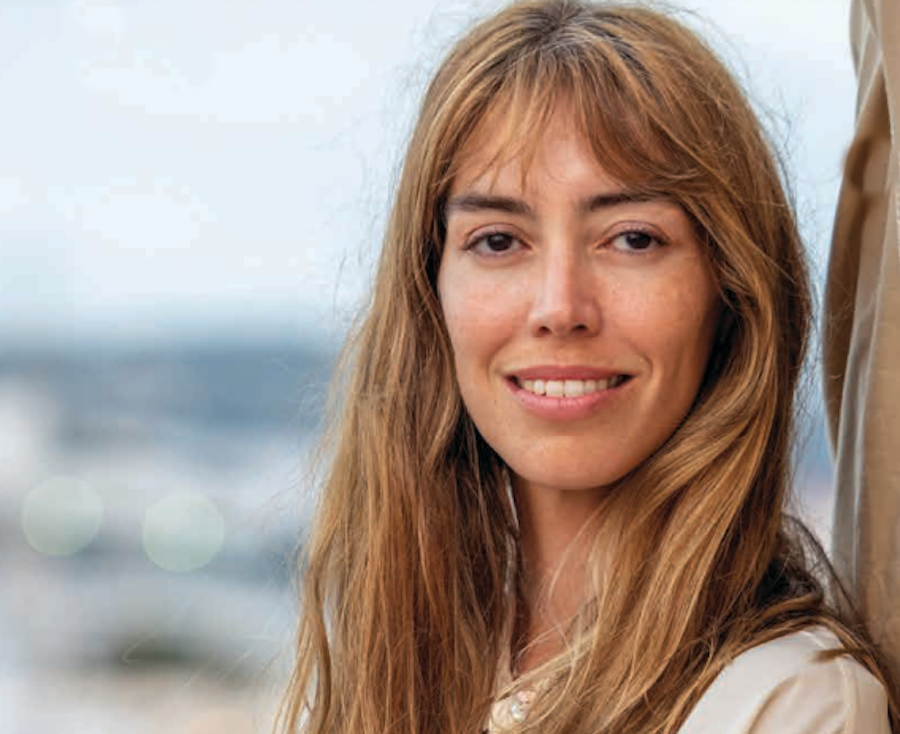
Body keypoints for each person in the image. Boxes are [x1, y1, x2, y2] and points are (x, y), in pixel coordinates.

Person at [278, 1, 900, 731]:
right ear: (430, 291)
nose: (559, 306)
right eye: (498, 240)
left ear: (732, 293)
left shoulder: (790, 703)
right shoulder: (382, 666)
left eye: (633, 238)